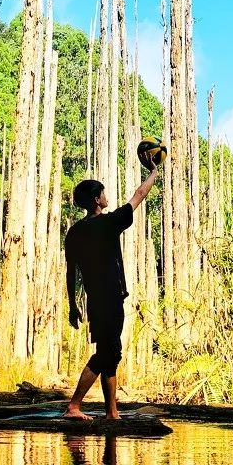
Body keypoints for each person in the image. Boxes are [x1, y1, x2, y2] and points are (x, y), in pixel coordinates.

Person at [64, 165, 159, 420]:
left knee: (109, 351)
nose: (107, 197)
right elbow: (139, 194)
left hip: (95, 300)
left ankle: (111, 412)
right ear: (97, 200)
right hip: (111, 299)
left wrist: (73, 306)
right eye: (103, 193)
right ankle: (74, 406)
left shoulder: (74, 232)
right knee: (108, 353)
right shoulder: (109, 223)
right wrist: (153, 173)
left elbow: (70, 273)